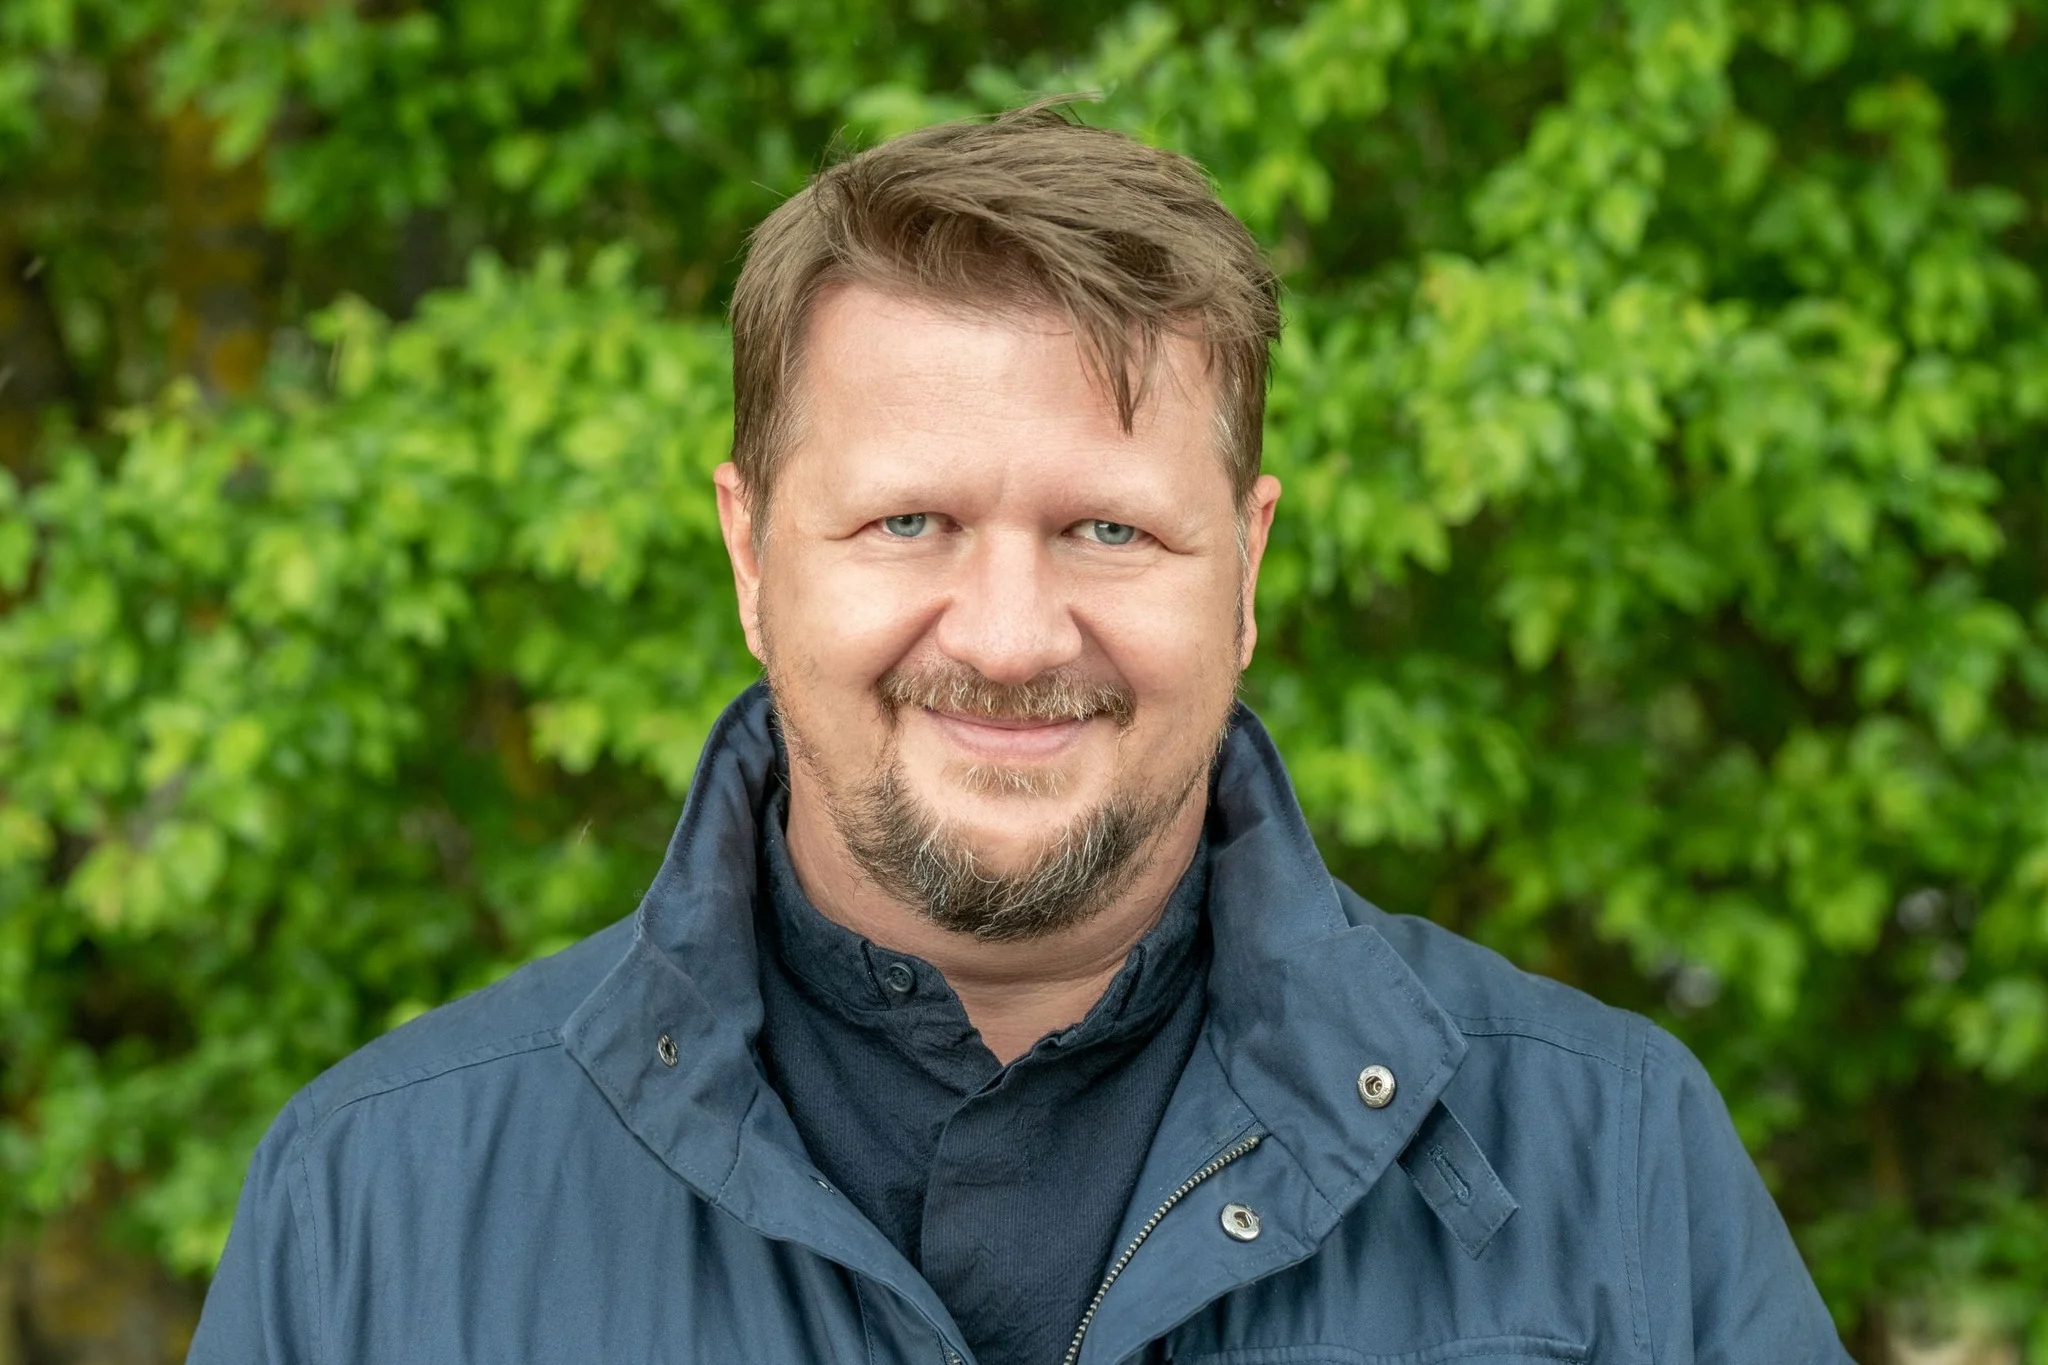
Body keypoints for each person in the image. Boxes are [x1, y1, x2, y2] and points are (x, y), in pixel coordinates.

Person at [189, 104, 1852, 1365]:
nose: (1005, 636)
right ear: (753, 556)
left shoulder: (1609, 1157)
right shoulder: (374, 1207)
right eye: (909, 523)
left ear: (1248, 566)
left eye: (1109, 532)